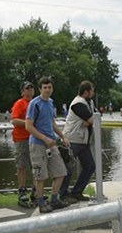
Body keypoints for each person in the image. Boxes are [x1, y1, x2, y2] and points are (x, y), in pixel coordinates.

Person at [26, 77, 67, 212]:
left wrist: (62, 136)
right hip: (37, 144)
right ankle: (41, 202)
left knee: (60, 172)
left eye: (49, 87)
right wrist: (44, 138)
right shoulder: (34, 104)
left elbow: (52, 122)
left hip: (51, 143)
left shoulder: (50, 103)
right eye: (45, 87)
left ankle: (54, 199)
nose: (48, 90)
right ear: (40, 89)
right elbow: (28, 126)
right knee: (40, 176)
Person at [61, 81, 98, 203]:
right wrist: (89, 121)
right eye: (92, 90)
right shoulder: (78, 104)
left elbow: (95, 118)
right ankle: (63, 194)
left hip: (82, 141)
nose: (93, 93)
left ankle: (76, 192)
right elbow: (93, 119)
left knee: (90, 166)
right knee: (67, 168)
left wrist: (89, 121)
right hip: (72, 140)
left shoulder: (85, 103)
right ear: (86, 91)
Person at [9, 82, 35, 208]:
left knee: (36, 165)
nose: (30, 91)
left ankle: (36, 191)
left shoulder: (35, 103)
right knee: (22, 165)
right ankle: (22, 190)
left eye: (31, 88)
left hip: (35, 138)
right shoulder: (20, 103)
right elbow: (14, 120)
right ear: (22, 91)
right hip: (22, 139)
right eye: (27, 89)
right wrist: (28, 123)